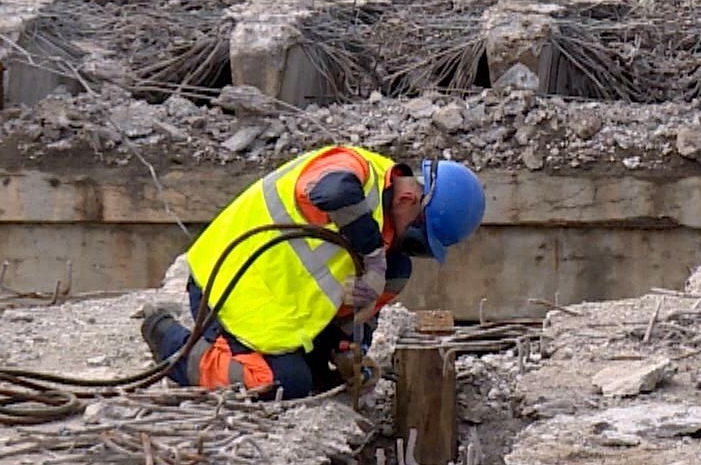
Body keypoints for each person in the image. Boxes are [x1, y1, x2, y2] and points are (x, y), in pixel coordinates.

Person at [141, 146, 485, 400]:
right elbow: (331, 190)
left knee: (395, 270)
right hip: (228, 287)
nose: (409, 244)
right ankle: (175, 346)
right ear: (409, 199)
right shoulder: (355, 169)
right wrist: (373, 257)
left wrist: (349, 348)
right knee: (285, 384)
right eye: (418, 236)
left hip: (283, 305)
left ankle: (332, 348)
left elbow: (355, 277)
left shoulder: (384, 219)